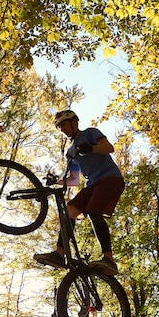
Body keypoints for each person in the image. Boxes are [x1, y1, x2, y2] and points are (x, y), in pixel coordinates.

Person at [33, 109, 125, 276]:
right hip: (93, 184)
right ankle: (60, 254)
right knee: (70, 210)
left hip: (110, 178)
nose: (63, 129)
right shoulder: (71, 151)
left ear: (75, 122)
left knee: (93, 211)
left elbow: (108, 147)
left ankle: (109, 259)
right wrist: (55, 182)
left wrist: (91, 147)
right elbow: (73, 179)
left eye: (65, 125)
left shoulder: (90, 133)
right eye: (60, 127)